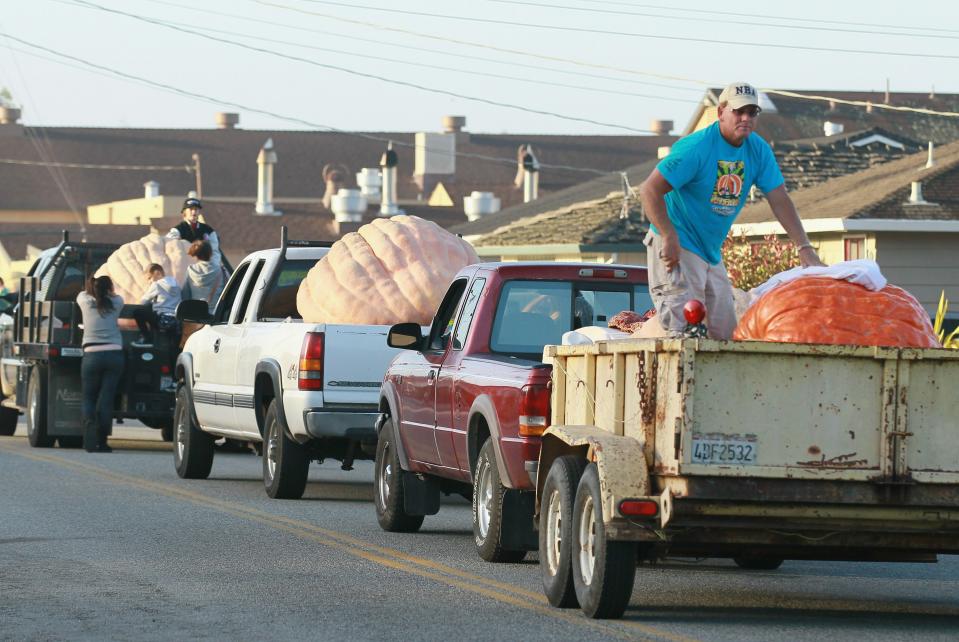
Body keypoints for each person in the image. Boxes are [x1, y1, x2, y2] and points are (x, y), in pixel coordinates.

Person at [639, 81, 825, 340]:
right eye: (739, 112)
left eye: (752, 112)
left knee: (725, 333)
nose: (746, 118)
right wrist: (668, 235)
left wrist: (804, 247)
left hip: (710, 252)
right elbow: (649, 190)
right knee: (686, 330)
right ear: (721, 112)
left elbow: (779, 198)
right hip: (678, 240)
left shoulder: (758, 150)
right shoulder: (697, 148)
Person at [77, 275, 125, 453]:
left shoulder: (84, 300)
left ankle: (89, 433)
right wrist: (109, 291)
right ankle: (102, 441)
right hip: (114, 355)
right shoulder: (117, 302)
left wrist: (91, 285)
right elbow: (116, 296)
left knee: (89, 397)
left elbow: (82, 293)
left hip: (91, 355)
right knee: (106, 399)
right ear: (110, 288)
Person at [133, 263, 182, 347]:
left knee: (138, 312)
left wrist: (152, 299)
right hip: (176, 322)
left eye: (149, 278)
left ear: (157, 273)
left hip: (162, 320)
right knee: (172, 347)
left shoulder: (157, 284)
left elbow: (143, 302)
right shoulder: (176, 283)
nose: (150, 281)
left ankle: (147, 338)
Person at [181, 240, 225, 314]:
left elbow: (185, 294)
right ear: (210, 253)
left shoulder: (190, 270)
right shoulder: (220, 270)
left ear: (196, 254)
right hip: (217, 315)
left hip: (197, 315)